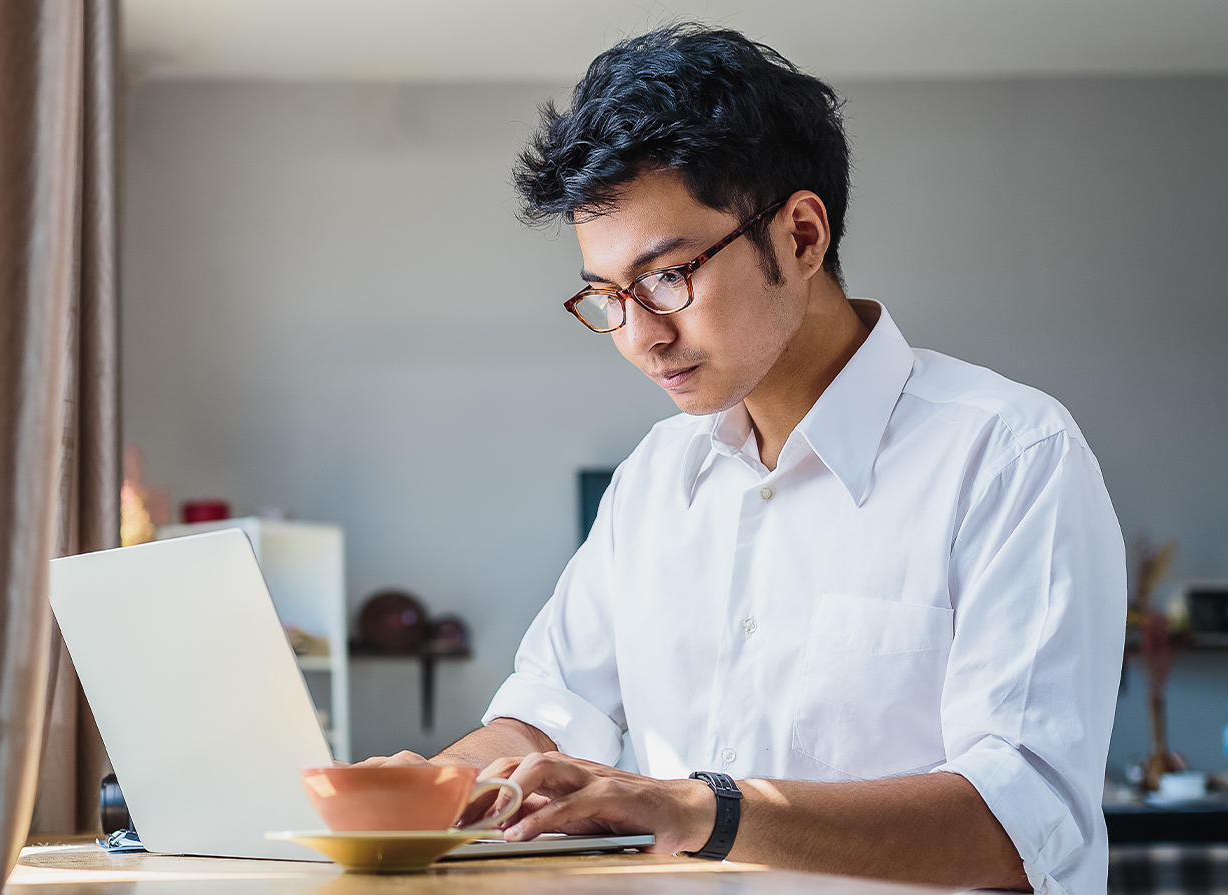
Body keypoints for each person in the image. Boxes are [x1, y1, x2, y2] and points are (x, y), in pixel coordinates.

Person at [364, 24, 1125, 895]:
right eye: (606, 295)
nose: (640, 336)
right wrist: (435, 781)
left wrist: (701, 810)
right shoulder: (655, 479)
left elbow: (1021, 821)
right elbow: (547, 712)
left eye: (666, 277)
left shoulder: (1008, 455)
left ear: (801, 236)